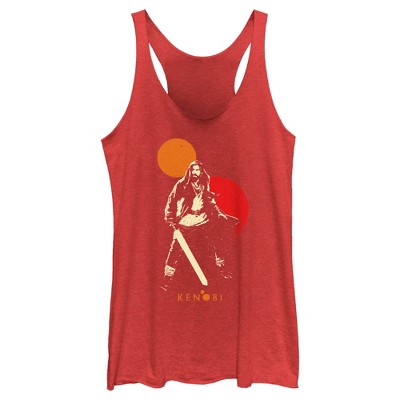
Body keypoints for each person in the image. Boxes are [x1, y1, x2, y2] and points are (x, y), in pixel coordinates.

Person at [160, 160, 239, 291]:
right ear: (189, 171)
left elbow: (209, 201)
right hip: (186, 221)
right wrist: (172, 221)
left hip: (203, 219)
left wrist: (219, 214)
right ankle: (167, 279)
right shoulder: (181, 185)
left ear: (201, 172)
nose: (195, 173)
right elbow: (171, 201)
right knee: (176, 249)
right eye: (193, 170)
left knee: (216, 241)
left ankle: (222, 268)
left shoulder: (203, 183)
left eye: (198, 170)